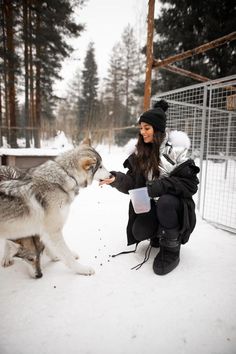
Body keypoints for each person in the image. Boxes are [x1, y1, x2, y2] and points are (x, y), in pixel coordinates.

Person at [100, 100, 200, 275]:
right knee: (139, 231)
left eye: (147, 128)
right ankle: (158, 234)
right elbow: (132, 182)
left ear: (157, 129)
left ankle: (171, 249)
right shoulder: (141, 153)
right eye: (141, 128)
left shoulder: (175, 151)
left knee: (166, 202)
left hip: (174, 206)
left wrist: (160, 186)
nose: (142, 132)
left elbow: (191, 184)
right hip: (151, 203)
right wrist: (115, 179)